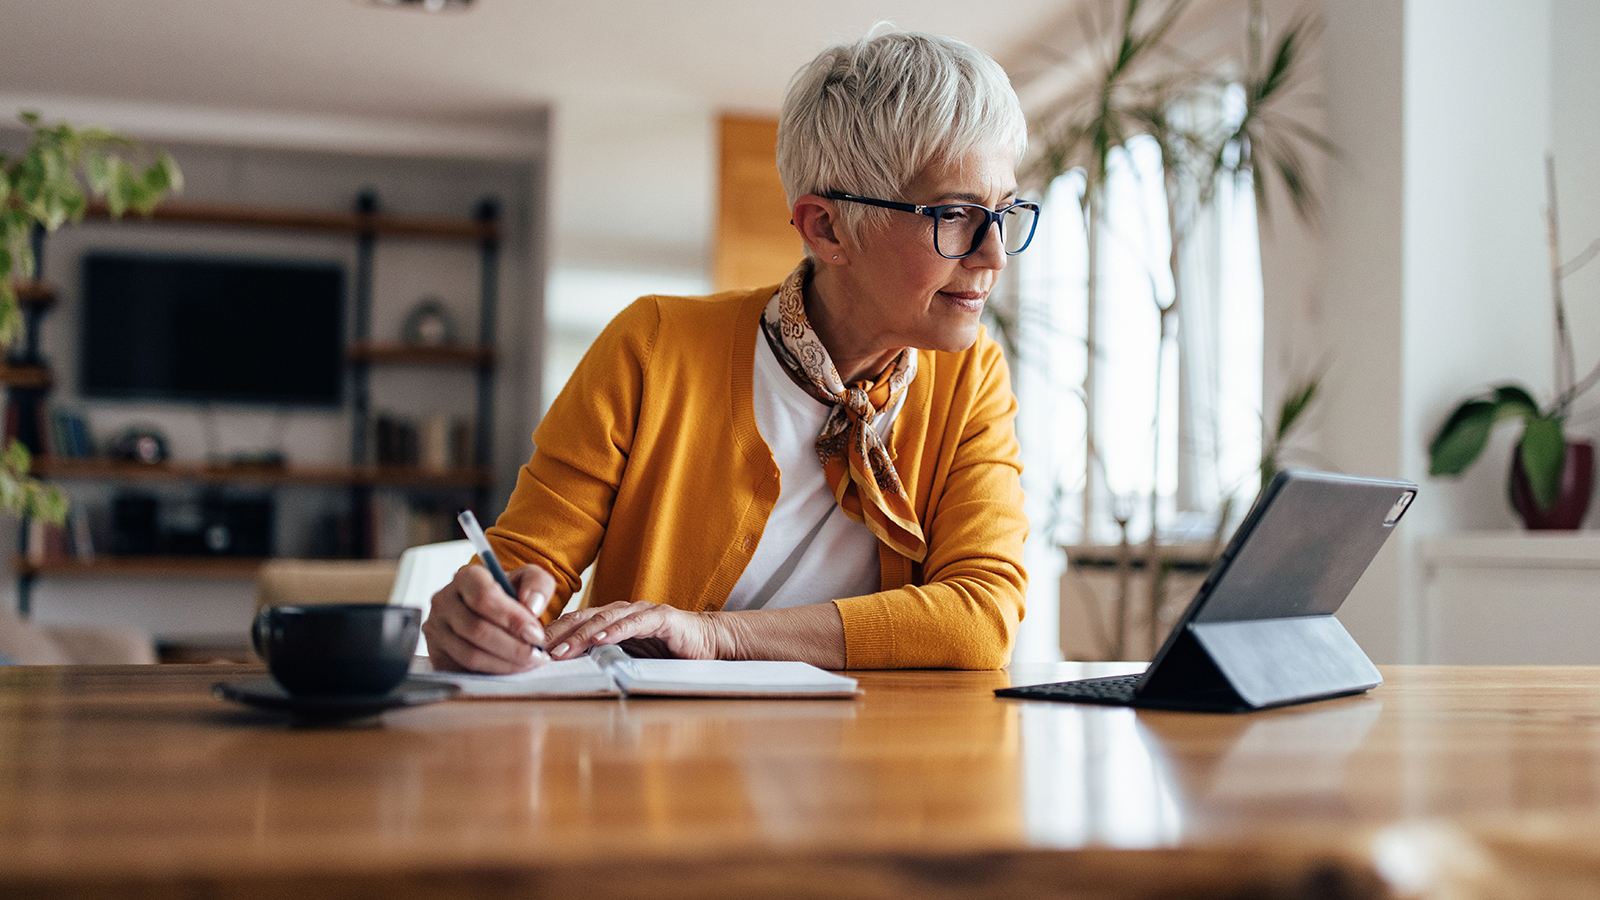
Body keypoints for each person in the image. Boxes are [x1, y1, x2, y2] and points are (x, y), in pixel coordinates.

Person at [424, 29, 1039, 673]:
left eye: (1004, 211)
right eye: (954, 215)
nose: (994, 254)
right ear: (826, 226)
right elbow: (529, 573)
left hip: (872, 765)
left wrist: (721, 636)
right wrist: (484, 618)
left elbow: (980, 616)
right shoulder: (654, 347)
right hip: (659, 765)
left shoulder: (972, 377)